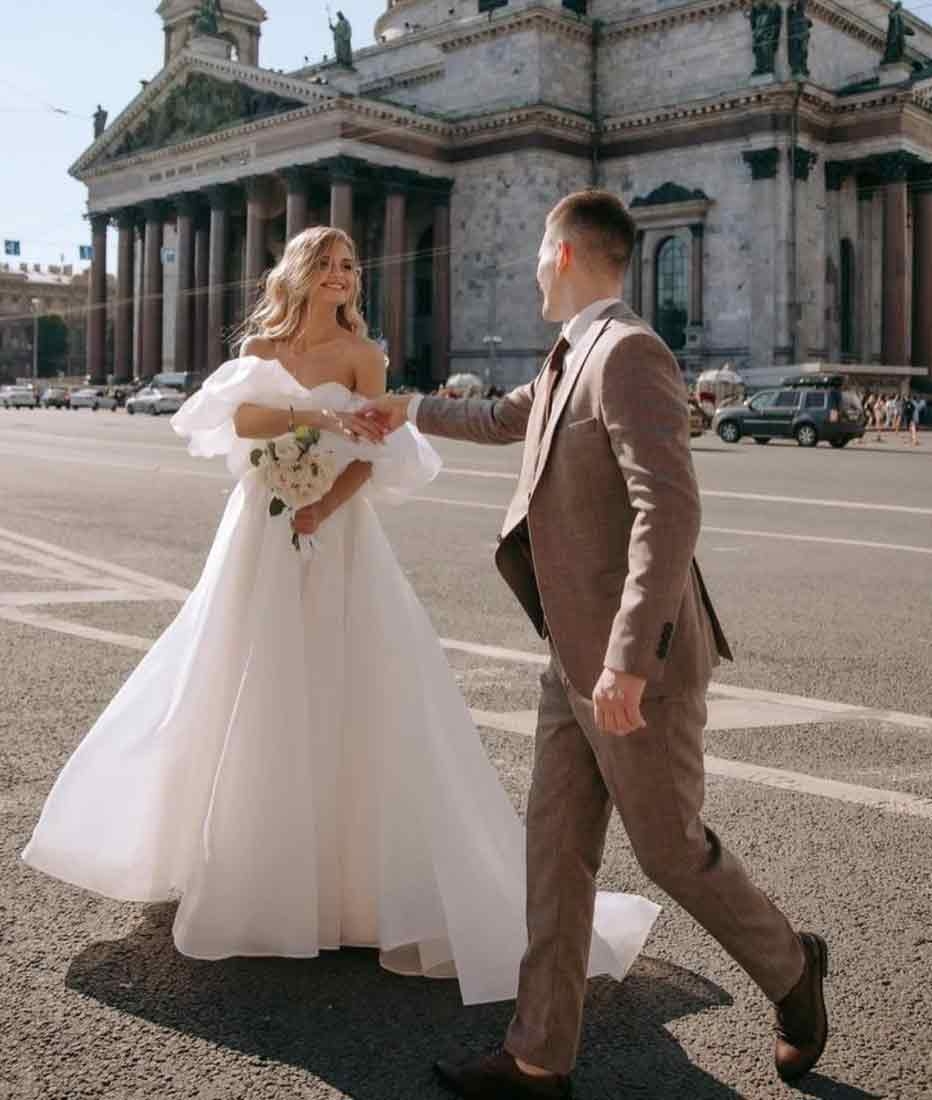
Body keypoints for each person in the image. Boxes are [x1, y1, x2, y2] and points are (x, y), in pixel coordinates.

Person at [20, 226, 657, 1006]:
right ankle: (252, 871)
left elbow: (374, 457)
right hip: (258, 529)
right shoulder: (264, 342)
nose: (340, 275)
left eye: (349, 265)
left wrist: (321, 502)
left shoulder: (366, 357)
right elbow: (242, 420)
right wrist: (313, 424)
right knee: (240, 679)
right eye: (325, 263)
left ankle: (351, 888)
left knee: (349, 692)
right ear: (299, 272)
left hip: (334, 532)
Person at [366, 190, 829, 1097]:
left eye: (542, 252)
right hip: (568, 657)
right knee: (555, 850)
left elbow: (670, 505)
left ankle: (793, 967)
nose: (535, 268)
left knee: (669, 852)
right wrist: (405, 409)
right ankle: (540, 1056)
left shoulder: (629, 354)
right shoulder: (569, 355)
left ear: (568, 253)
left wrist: (628, 656)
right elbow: (506, 418)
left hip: (629, 669)